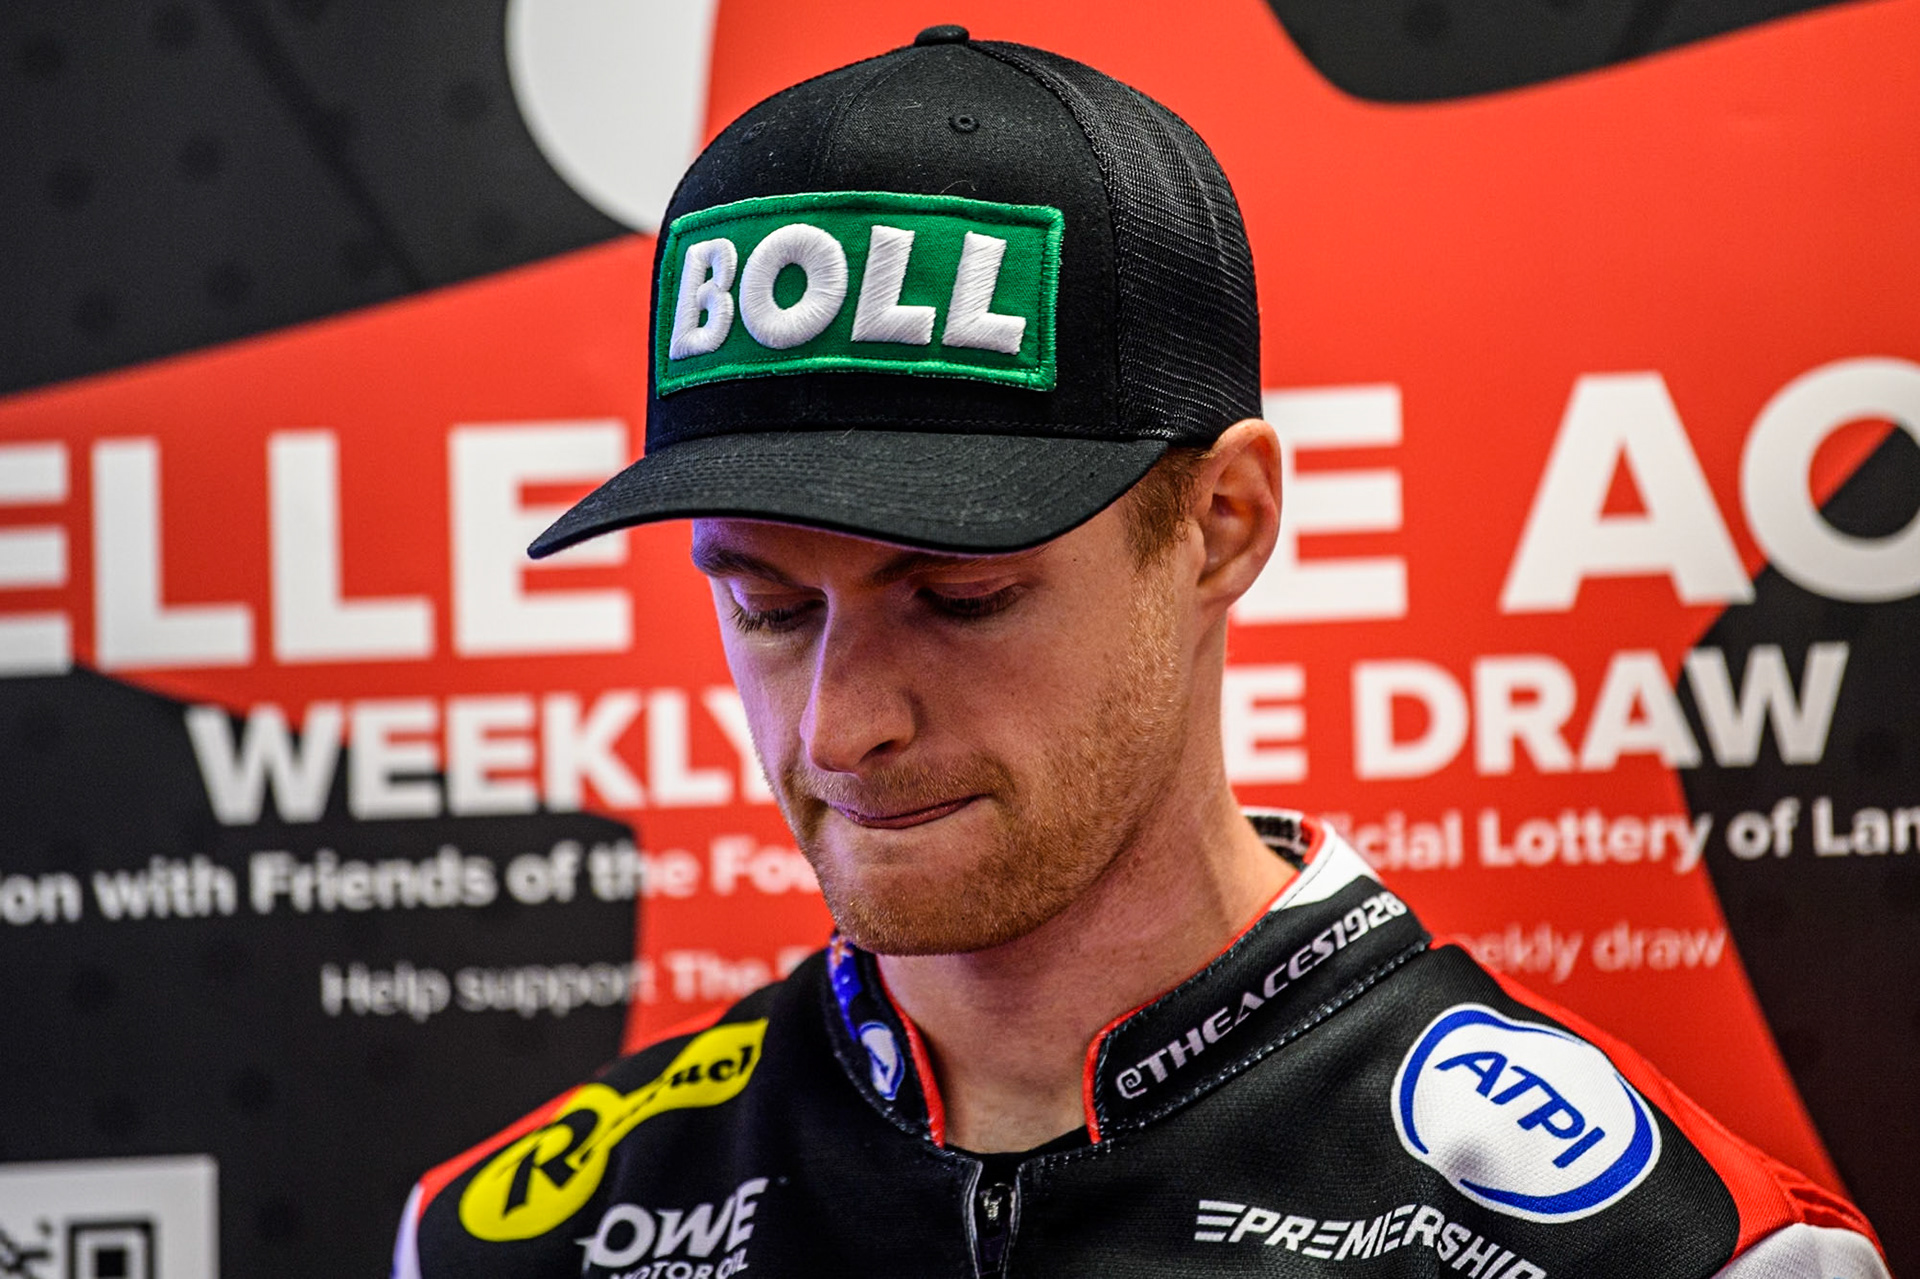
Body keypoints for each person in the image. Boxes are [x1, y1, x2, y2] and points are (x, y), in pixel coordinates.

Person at [394, 26, 1886, 1279]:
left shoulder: (1677, 1256)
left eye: (961, 595)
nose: (839, 728)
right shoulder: (517, 1239)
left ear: (1223, 526)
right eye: (767, 607)